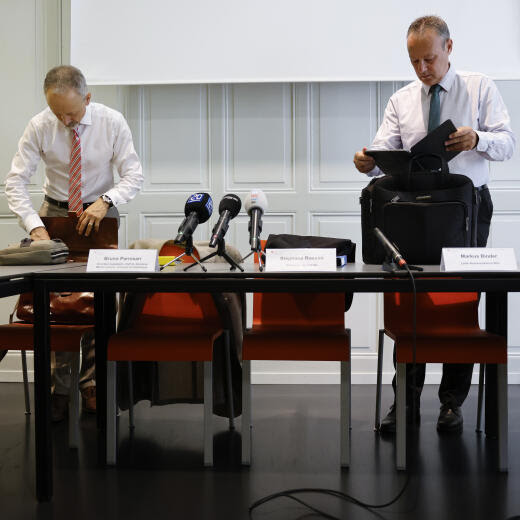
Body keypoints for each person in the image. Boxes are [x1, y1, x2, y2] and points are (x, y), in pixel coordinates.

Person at [353, 16, 515, 434]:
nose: (423, 69)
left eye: (429, 59)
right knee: (411, 300)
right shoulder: (402, 99)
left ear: (449, 48)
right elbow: (385, 150)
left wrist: (477, 138)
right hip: (413, 208)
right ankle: (404, 401)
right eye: (414, 62)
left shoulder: (479, 87)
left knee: (460, 301)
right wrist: (367, 161)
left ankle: (451, 403)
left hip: (467, 206)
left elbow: (507, 143)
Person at [5, 65, 143, 421]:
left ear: (88, 98)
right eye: (57, 113)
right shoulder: (39, 125)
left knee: (99, 300)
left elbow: (133, 174)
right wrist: (35, 228)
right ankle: (58, 389)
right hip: (54, 211)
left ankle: (92, 384)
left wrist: (107, 200)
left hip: (101, 211)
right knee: (57, 303)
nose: (65, 120)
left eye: (72, 112)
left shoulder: (111, 122)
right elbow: (15, 182)